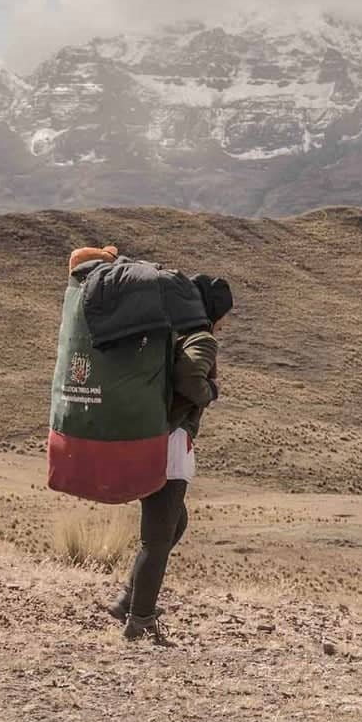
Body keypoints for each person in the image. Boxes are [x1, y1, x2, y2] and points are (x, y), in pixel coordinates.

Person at [107, 274, 233, 645]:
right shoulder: (202, 339)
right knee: (158, 537)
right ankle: (140, 619)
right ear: (212, 312)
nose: (225, 322)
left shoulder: (168, 333)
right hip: (173, 442)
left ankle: (128, 598)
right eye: (224, 314)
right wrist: (211, 390)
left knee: (175, 523)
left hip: (151, 436)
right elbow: (188, 378)